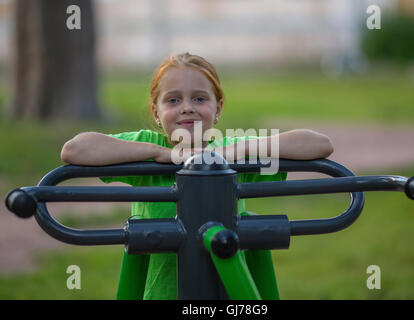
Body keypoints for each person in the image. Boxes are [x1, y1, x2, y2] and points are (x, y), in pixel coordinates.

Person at [60, 52, 334, 300]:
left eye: (199, 98)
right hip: (161, 293)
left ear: (218, 109)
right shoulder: (146, 147)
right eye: (173, 100)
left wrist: (243, 148)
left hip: (229, 288)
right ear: (156, 112)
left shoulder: (232, 153)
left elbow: (320, 144)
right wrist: (160, 154)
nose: (187, 107)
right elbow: (75, 149)